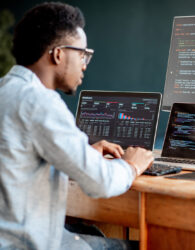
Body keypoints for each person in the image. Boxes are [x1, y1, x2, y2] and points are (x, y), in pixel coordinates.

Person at [0, 2, 153, 250]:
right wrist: (131, 165)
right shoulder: (41, 103)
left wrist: (85, 155)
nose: (84, 64)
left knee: (90, 232)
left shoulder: (5, 90)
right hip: (26, 244)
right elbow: (100, 182)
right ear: (58, 54)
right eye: (83, 54)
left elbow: (18, 162)